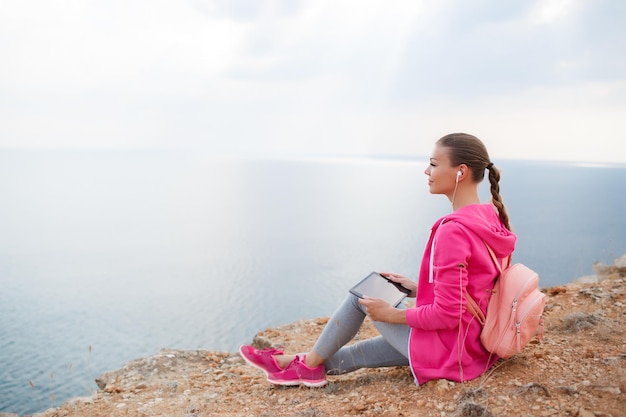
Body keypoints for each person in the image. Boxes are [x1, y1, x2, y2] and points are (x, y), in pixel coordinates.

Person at [239, 133, 517, 387]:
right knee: (358, 354)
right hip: (474, 347)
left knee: (363, 296)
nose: (426, 171)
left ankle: (307, 367)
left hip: (451, 351)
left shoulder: (453, 231)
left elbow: (448, 313)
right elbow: (477, 290)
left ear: (461, 172)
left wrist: (391, 314)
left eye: (433, 164)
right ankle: (292, 364)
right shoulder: (490, 216)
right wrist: (417, 289)